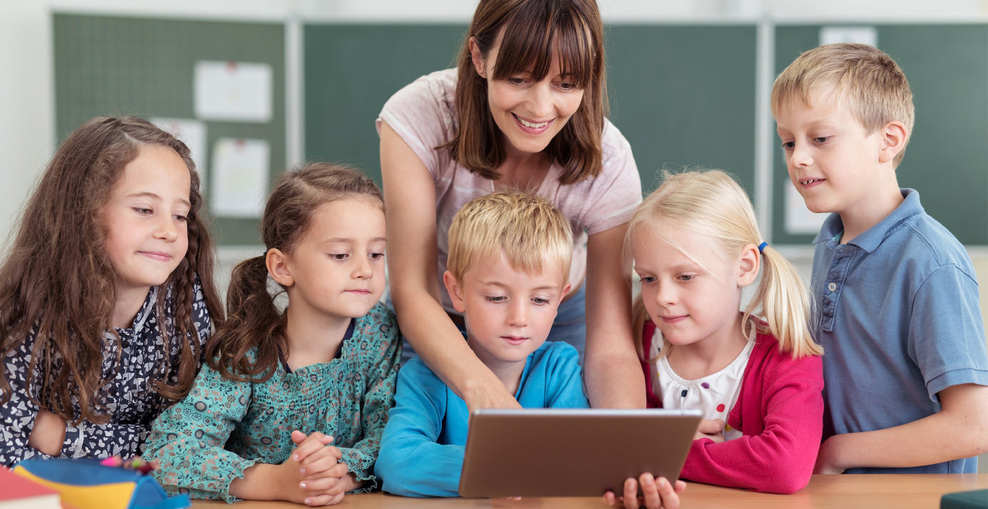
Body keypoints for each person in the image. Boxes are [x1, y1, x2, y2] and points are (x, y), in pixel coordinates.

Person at [377, 0, 644, 412]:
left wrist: (631, 443)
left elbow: (612, 348)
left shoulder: (611, 161)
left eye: (566, 84)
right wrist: (488, 394)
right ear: (479, 57)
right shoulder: (421, 116)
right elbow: (414, 290)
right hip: (435, 315)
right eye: (518, 79)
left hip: (552, 318)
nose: (540, 108)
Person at [772, 43, 988, 474]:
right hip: (836, 493)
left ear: (888, 141)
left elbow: (972, 426)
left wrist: (838, 453)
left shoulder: (930, 262)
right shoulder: (829, 245)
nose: (799, 158)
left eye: (820, 138)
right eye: (788, 142)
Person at [144, 164, 401, 506]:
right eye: (340, 254)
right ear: (282, 266)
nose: (365, 270)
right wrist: (279, 482)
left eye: (376, 254)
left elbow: (391, 439)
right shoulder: (245, 353)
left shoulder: (381, 333)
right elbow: (166, 454)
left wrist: (334, 473)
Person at [0, 116, 223, 466]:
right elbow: (6, 449)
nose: (168, 230)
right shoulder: (24, 307)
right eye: (144, 209)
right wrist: (141, 446)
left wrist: (61, 436)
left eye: (180, 215)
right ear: (82, 212)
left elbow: (196, 444)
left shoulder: (185, 305)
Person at [375, 191, 608, 497]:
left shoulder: (559, 368)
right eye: (497, 297)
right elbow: (396, 464)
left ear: (559, 300)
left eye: (540, 299)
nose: (519, 318)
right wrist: (498, 469)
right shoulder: (425, 373)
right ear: (457, 292)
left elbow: (582, 458)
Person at [612, 170, 824, 502]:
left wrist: (668, 450)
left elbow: (785, 466)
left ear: (744, 267)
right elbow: (613, 441)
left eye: (685, 276)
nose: (663, 297)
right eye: (649, 279)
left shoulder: (788, 358)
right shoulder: (639, 345)